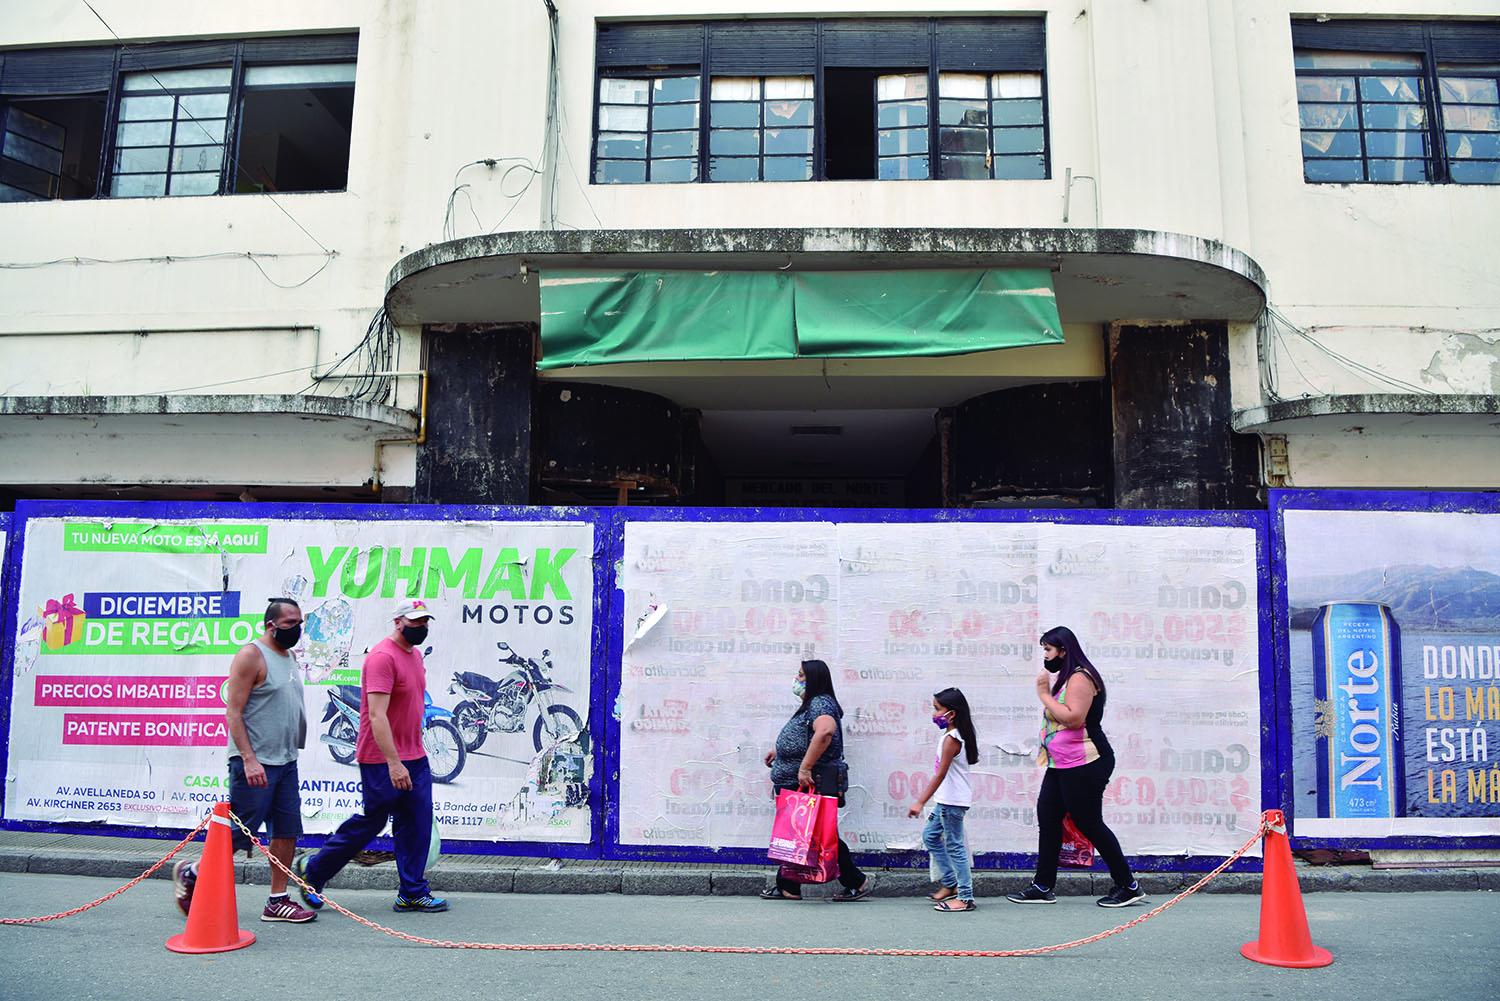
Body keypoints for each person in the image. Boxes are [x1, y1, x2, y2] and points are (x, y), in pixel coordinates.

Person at [292, 599, 448, 913]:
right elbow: (376, 716)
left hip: (415, 756)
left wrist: (410, 756)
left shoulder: (415, 656)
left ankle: (412, 892)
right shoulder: (381, 658)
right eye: (415, 622)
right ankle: (314, 870)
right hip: (381, 758)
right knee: (371, 823)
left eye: (425, 622)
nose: (421, 627)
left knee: (416, 823)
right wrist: (394, 762)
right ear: (398, 622)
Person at [173, 598, 316, 923]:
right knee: (240, 833)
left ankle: (277, 900)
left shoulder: (289, 656)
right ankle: (192, 872)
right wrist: (249, 760)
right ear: (271, 625)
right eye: (291, 623)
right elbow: (233, 713)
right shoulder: (251, 655)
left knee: (286, 831)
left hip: (286, 762)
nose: (298, 629)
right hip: (255, 764)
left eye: (300, 622)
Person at [1007, 626, 1145, 908]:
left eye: (1048, 650)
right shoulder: (1067, 678)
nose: (1045, 655)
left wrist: (1044, 695)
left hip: (1087, 763)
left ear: (1064, 651)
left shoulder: (1081, 677)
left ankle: (1128, 885)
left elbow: (1073, 718)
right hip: (1061, 764)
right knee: (1048, 818)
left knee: (1089, 822)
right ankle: (1043, 885)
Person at [760, 659, 872, 901]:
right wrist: (781, 751)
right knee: (806, 833)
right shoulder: (813, 704)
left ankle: (856, 881)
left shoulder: (820, 702)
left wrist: (805, 767)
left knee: (818, 834)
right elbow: (807, 734)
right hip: (801, 779)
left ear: (815, 679)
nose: (797, 680)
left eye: (802, 675)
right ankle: (789, 885)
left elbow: (825, 731)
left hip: (811, 779)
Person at [909, 687, 979, 912]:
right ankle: (950, 882)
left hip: (952, 802)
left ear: (952, 713)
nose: (934, 713)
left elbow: (940, 775)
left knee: (955, 846)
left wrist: (920, 801)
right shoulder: (950, 736)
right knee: (930, 836)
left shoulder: (952, 739)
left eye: (937, 709)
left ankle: (966, 896)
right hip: (946, 800)